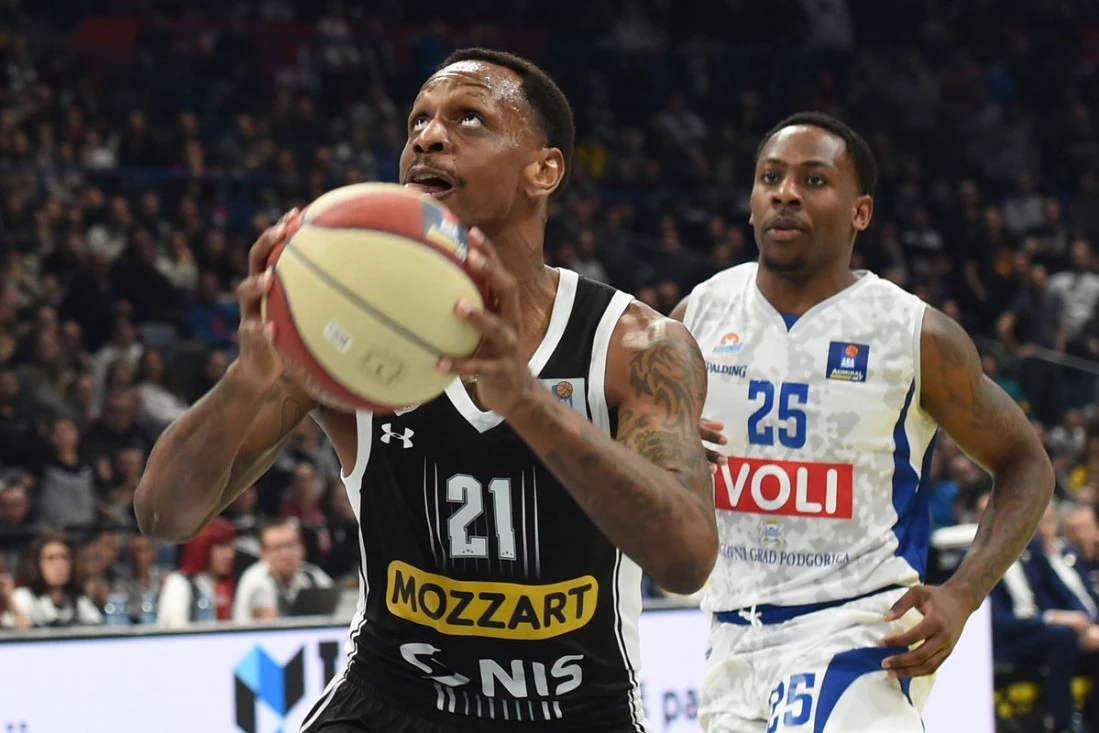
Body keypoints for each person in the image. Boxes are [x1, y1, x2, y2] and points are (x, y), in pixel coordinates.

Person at [135, 48, 716, 733]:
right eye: (418, 121)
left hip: (577, 713)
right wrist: (249, 376)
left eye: (469, 118)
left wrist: (525, 401)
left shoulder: (636, 346)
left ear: (544, 170)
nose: (428, 137)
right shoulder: (340, 332)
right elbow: (162, 515)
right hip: (390, 704)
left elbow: (685, 562)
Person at [672, 111, 1054, 733]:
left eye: (814, 180)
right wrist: (664, 445)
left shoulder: (913, 332)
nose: (786, 193)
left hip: (858, 632)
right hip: (730, 638)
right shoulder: (699, 314)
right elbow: (634, 449)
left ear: (861, 212)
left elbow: (1026, 462)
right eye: (770, 177)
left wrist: (962, 593)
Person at [232, 518, 331, 622]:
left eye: (290, 545)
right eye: (277, 548)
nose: (286, 554)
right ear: (263, 554)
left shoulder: (311, 574)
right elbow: (271, 626)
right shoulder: (256, 579)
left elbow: (337, 604)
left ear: (302, 547)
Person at [157, 517, 238, 626]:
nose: (230, 554)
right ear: (202, 547)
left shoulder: (226, 585)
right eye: (222, 546)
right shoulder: (179, 584)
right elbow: (175, 630)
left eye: (231, 547)